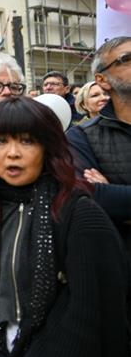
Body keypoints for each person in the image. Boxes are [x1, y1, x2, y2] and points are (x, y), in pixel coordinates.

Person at [0, 96, 130, 357]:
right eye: (0, 142)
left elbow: (89, 314)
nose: (12, 153)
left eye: (26, 141)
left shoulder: (79, 213)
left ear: (48, 148)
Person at [67, 36, 131, 252]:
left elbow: (111, 199)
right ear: (103, 80)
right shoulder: (81, 136)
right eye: (127, 58)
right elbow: (92, 198)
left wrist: (116, 193)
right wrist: (105, 195)